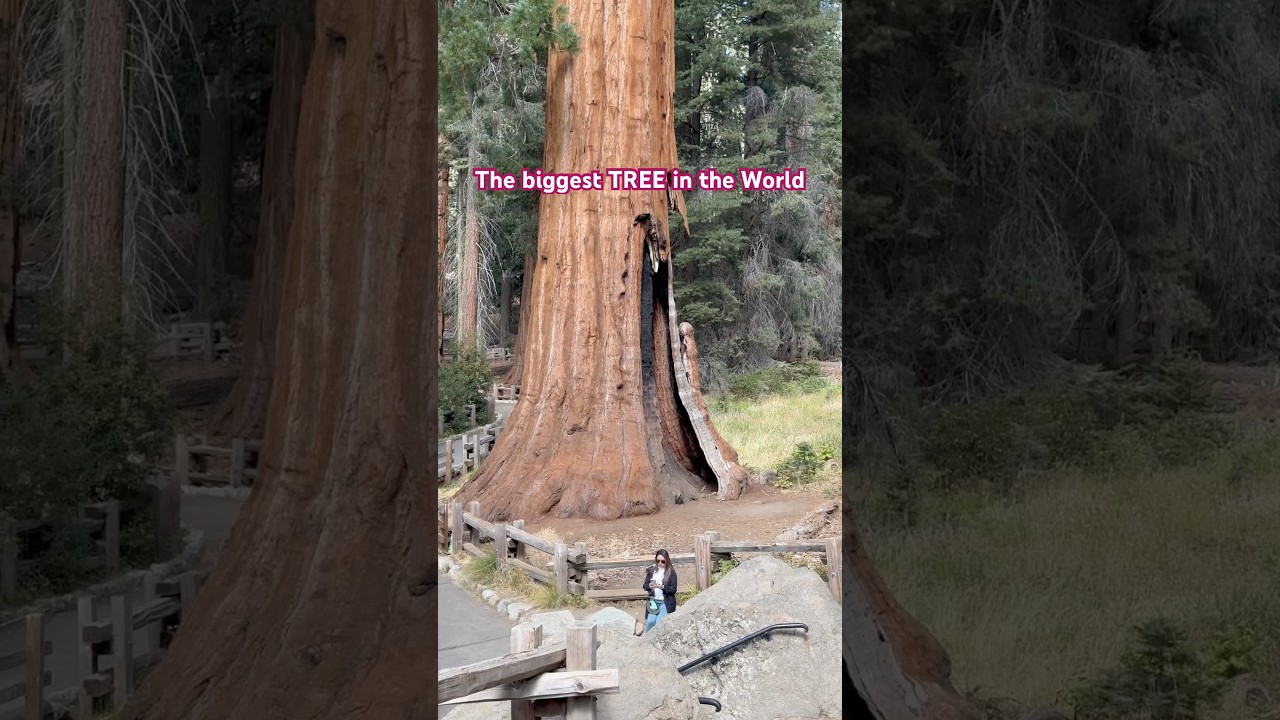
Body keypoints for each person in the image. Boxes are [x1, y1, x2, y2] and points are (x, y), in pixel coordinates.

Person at [641, 549, 677, 634]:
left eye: (663, 561)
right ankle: (647, 640)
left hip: (665, 602)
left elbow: (673, 589)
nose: (660, 563)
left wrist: (662, 587)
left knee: (659, 622)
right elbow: (645, 585)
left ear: (667, 561)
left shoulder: (671, 573)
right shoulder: (651, 571)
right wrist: (649, 586)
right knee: (650, 622)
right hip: (653, 601)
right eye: (658, 561)